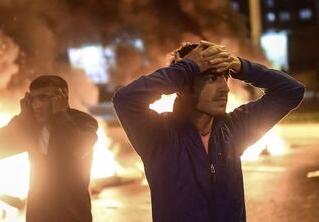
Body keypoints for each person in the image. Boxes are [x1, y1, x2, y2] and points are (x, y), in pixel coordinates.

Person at [112, 41, 305, 222]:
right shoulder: (159, 136)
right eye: (212, 78)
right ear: (183, 86)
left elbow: (291, 91)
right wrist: (187, 68)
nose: (225, 89)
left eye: (225, 77)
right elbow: (126, 100)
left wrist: (240, 67)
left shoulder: (234, 129)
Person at [0, 75, 98, 222]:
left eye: (43, 98)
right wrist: (22, 117)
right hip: (38, 216)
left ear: (61, 97)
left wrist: (61, 114)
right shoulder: (32, 126)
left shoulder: (83, 122)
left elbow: (79, 148)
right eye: (33, 99)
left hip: (72, 215)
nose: (36, 105)